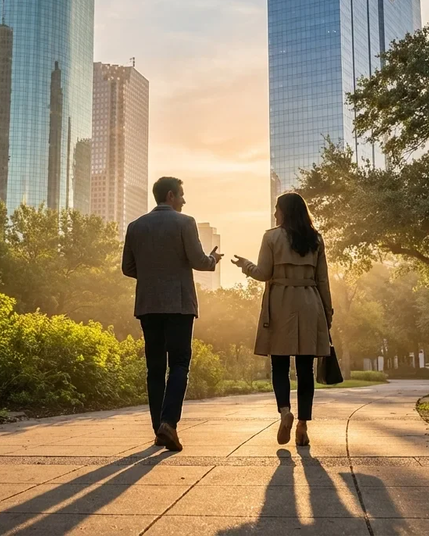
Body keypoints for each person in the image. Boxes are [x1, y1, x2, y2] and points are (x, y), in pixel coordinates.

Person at [122, 177, 223, 451]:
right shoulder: (185, 223)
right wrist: (213, 260)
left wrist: (151, 275)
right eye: (181, 195)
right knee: (179, 363)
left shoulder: (135, 227)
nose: (184, 201)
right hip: (178, 305)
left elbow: (127, 268)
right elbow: (198, 261)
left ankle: (159, 430)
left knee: (154, 367)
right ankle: (169, 423)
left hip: (148, 305)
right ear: (170, 195)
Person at [232, 193, 333, 446]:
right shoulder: (316, 240)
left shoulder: (271, 237)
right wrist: (328, 313)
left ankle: (285, 411)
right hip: (311, 303)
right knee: (305, 369)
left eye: (277, 209)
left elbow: (264, 273)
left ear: (285, 211)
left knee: (279, 365)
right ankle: (302, 425)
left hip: (280, 303)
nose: (275, 214)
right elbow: (323, 280)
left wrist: (246, 265)